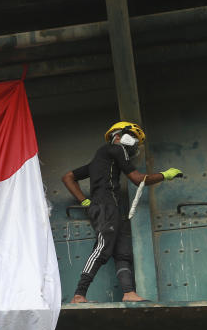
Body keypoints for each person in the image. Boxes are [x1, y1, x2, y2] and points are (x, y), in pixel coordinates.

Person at [61, 121, 183, 303]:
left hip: (110, 207)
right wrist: (164, 175)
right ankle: (79, 294)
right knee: (102, 248)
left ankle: (129, 293)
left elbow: (68, 177)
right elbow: (138, 179)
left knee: (122, 252)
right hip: (106, 206)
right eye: (133, 138)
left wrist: (85, 201)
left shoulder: (100, 158)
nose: (134, 143)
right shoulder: (115, 149)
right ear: (118, 136)